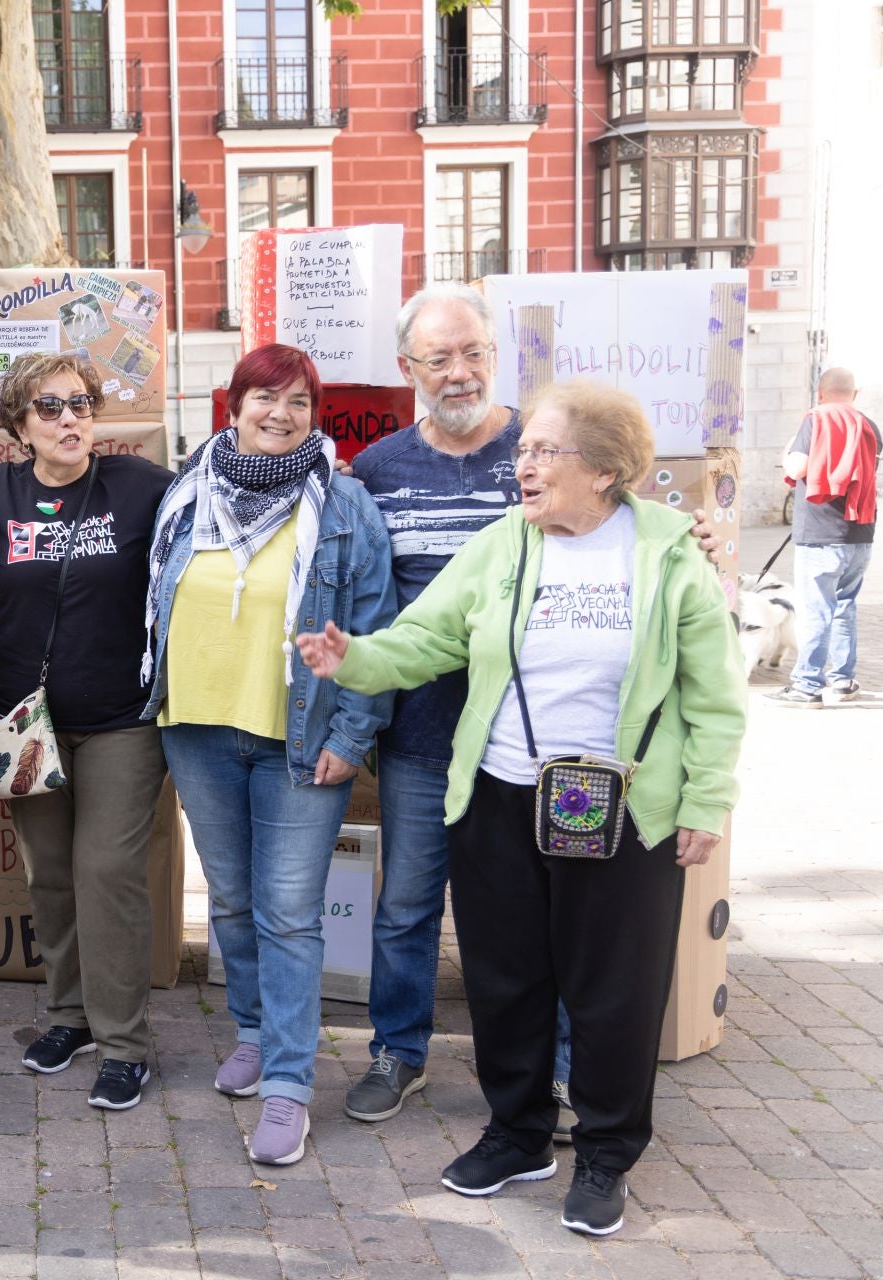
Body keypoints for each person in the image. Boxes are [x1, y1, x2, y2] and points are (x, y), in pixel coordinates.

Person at [297, 379, 746, 1237]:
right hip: (501, 793)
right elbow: (429, 637)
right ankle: (517, 1134)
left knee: (614, 988)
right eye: (525, 448)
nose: (523, 464)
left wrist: (705, 800)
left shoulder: (664, 552)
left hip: (623, 806)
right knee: (506, 977)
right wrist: (353, 656)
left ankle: (607, 1154)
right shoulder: (505, 542)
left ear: (606, 471)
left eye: (544, 451)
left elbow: (717, 695)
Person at [139, 343, 396, 1164]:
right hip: (197, 727)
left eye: (298, 403)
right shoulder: (186, 494)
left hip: (299, 739)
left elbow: (373, 634)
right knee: (233, 902)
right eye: (265, 397)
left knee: (289, 914)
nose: (280, 415)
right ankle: (251, 1030)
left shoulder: (346, 506)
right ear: (234, 404)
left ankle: (288, 1085)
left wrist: (353, 738)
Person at [344, 284, 578, 1135]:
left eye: (473, 352)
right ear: (407, 369)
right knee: (407, 903)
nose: (459, 371)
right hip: (421, 737)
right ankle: (396, 1052)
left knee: (535, 912)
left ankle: (552, 1070)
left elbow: (615, 542)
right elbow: (369, 598)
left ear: (495, 354)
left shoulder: (546, 450)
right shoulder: (377, 472)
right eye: (438, 358)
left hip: (530, 736)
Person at [0, 353, 172, 1111]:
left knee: (106, 873)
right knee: (49, 874)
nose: (69, 419)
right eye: (50, 408)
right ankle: (69, 1016)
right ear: (20, 424)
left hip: (120, 717)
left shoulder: (141, 486)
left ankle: (124, 1044)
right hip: (25, 721)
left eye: (81, 404)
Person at [769, 367, 878, 707]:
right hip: (859, 533)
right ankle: (843, 681)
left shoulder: (816, 419)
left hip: (820, 534)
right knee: (844, 607)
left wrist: (787, 453)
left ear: (820, 393)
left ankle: (805, 685)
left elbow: (797, 468)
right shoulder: (868, 425)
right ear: (854, 394)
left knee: (816, 609)